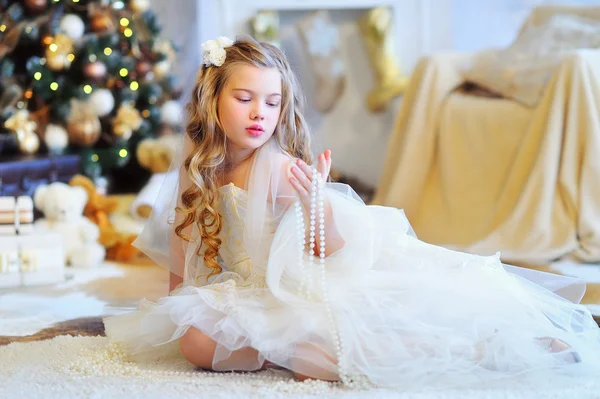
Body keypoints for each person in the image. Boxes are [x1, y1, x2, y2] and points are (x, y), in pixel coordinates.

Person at [103, 35, 600, 389]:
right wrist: (173, 308)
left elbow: (330, 251)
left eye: (273, 103)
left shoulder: (275, 168)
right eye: (245, 98)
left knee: (320, 358)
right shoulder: (199, 170)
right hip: (246, 295)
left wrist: (313, 202)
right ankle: (275, 348)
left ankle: (484, 349)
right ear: (213, 101)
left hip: (304, 288)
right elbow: (182, 243)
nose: (260, 114)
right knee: (194, 340)